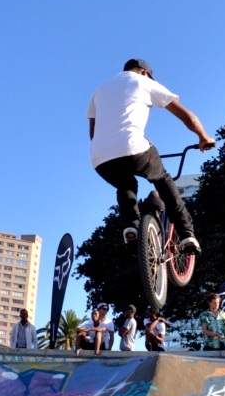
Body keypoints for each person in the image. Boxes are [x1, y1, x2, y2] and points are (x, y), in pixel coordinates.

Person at [86, 58, 214, 252]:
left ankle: (131, 225)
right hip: (133, 148)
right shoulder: (144, 82)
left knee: (125, 184)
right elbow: (185, 114)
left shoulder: (100, 89)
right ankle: (187, 234)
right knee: (162, 179)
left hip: (99, 157)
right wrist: (203, 136)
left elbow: (93, 133)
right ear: (145, 72)